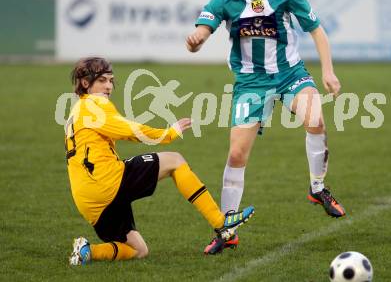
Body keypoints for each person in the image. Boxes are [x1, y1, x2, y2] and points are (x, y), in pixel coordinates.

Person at [186, 0, 345, 255]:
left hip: (289, 74)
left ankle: (317, 189)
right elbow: (204, 28)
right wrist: (196, 40)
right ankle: (226, 229)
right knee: (237, 155)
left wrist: (328, 71)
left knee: (315, 118)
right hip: (251, 84)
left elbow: (317, 30)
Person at [65, 57, 255, 265]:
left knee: (138, 250)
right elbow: (132, 131)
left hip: (87, 200)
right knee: (174, 160)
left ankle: (88, 251)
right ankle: (222, 224)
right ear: (85, 83)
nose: (109, 86)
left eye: (111, 80)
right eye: (102, 80)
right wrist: (168, 133)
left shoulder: (76, 111)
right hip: (106, 181)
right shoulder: (95, 104)